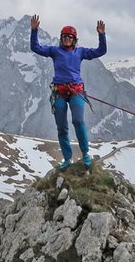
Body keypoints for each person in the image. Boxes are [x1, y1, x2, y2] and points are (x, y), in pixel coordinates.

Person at [30, 15, 107, 171]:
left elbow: (101, 51)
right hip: (59, 91)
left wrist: (101, 34)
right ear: (61, 38)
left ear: (74, 39)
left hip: (76, 91)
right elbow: (36, 48)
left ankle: (85, 155)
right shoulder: (54, 51)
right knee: (62, 127)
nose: (67, 39)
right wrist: (34, 31)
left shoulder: (80, 52)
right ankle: (67, 159)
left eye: (70, 37)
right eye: (65, 36)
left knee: (78, 121)